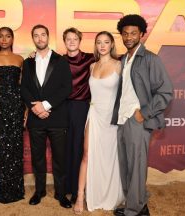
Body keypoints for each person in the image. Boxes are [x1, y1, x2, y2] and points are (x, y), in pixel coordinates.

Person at [112, 15, 173, 216]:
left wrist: (144, 114)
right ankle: (135, 203)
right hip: (122, 119)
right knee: (126, 166)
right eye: (125, 33)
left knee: (136, 167)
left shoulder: (150, 59)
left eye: (133, 33)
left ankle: (134, 210)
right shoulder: (123, 59)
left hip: (137, 120)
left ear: (142, 34)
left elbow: (166, 91)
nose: (129, 37)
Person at [20, 24, 72, 209]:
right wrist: (35, 108)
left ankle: (60, 193)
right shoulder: (27, 62)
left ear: (48, 37)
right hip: (36, 118)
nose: (40, 38)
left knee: (60, 158)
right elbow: (24, 88)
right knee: (38, 158)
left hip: (57, 117)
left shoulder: (61, 60)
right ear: (33, 39)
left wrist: (46, 105)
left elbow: (66, 87)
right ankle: (39, 191)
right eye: (36, 35)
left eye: (43, 35)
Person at [73, 31, 124, 214]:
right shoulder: (92, 66)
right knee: (86, 155)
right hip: (93, 115)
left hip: (111, 119)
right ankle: (80, 197)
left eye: (106, 42)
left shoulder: (120, 65)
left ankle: (108, 194)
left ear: (112, 45)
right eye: (99, 42)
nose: (102, 45)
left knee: (111, 158)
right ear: (95, 45)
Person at [0, 27, 25, 204]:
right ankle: (3, 192)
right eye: (0, 36)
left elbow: (23, 86)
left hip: (16, 106)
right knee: (1, 150)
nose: (4, 39)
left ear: (12, 39)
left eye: (8, 36)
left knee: (15, 148)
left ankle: (16, 191)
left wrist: (26, 109)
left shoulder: (20, 59)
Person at [62, 27, 95, 204]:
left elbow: (112, 58)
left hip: (81, 107)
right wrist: (31, 55)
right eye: (68, 39)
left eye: (75, 39)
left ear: (80, 41)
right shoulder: (59, 60)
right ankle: (65, 187)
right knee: (64, 147)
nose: (72, 41)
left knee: (78, 148)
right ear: (64, 41)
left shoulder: (90, 58)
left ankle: (76, 189)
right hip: (62, 107)